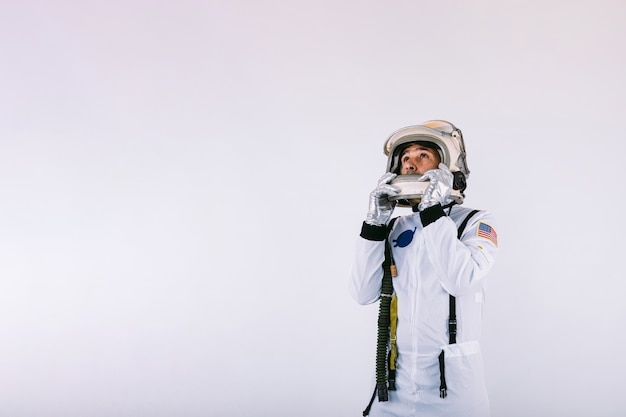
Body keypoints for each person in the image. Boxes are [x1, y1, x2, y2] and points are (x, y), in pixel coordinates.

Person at [350, 121, 498, 417]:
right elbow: (363, 292)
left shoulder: (475, 222)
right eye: (405, 158)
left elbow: (461, 281)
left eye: (422, 156)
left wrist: (431, 211)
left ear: (447, 168)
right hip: (393, 386)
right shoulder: (395, 227)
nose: (411, 164)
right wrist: (374, 224)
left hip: (453, 388)